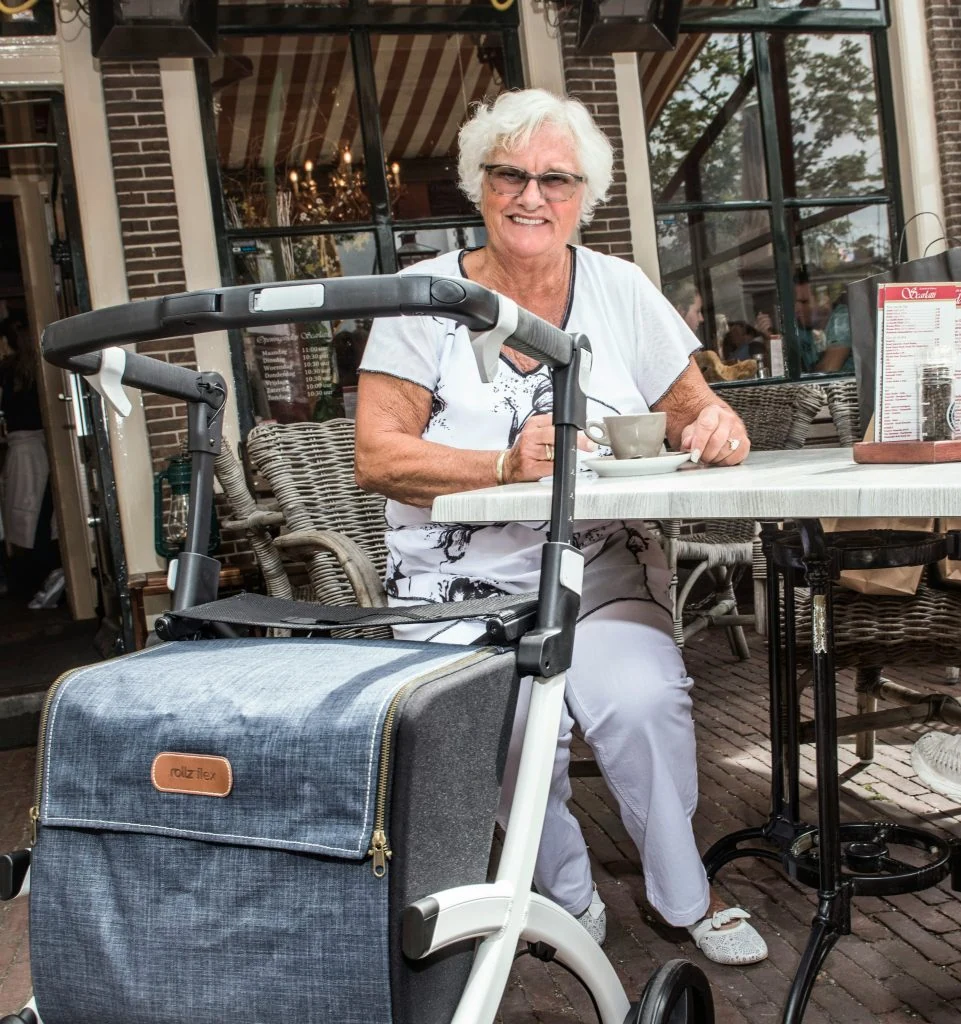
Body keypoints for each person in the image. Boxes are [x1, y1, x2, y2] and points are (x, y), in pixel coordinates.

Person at [354, 88, 768, 966]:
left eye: (555, 179)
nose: (530, 196)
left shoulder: (618, 289)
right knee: (505, 724)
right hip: (454, 588)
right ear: (479, 184)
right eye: (509, 174)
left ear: (584, 195)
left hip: (599, 569)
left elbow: (695, 407)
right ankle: (566, 895)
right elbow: (378, 457)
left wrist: (716, 428)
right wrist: (502, 465)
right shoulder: (423, 300)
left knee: (643, 701)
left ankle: (684, 891)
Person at [0, 321, 64, 609]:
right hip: (37, 446)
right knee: (37, 511)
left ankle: (33, 580)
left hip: (24, 448)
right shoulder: (30, 370)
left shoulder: (9, 371)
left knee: (26, 513)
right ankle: (42, 577)